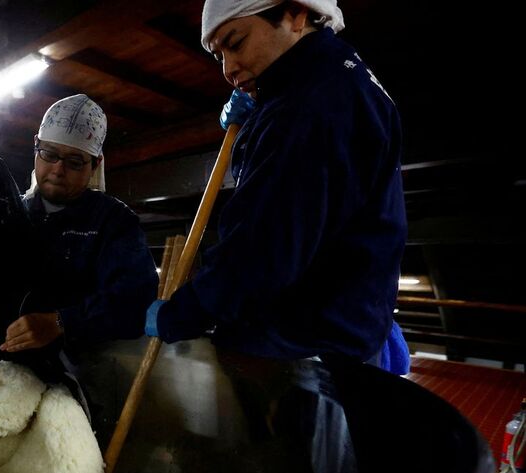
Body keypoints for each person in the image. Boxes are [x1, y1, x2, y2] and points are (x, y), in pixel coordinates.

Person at [145, 0, 407, 367]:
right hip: (348, 327)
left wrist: (183, 312)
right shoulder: (344, 77)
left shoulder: (308, 104)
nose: (228, 69)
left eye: (235, 43)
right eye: (219, 55)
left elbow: (261, 251)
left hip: (302, 349)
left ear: (296, 14)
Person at [0, 94, 158, 354]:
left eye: (74, 162)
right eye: (49, 154)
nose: (58, 170)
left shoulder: (112, 222)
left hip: (86, 367)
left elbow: (136, 299)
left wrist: (62, 322)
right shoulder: (13, 211)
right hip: (10, 357)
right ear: (36, 146)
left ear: (95, 164)